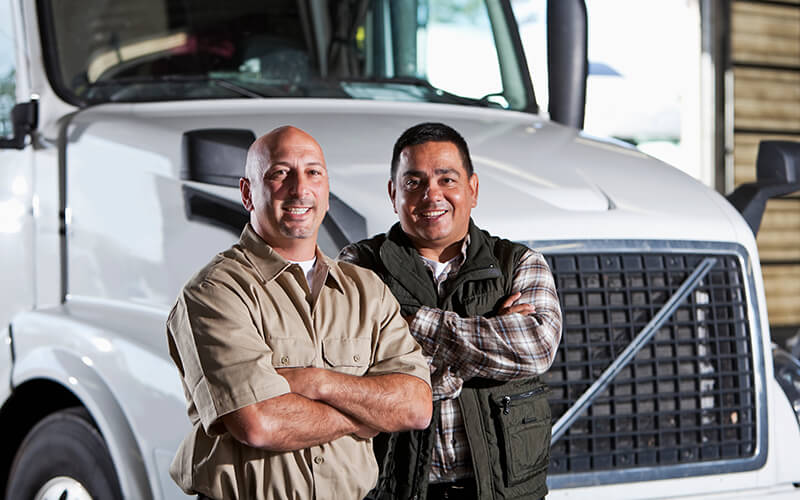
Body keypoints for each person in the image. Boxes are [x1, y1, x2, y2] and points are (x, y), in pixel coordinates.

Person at [167, 125, 433, 500]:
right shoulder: (217, 292)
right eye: (279, 174)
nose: (299, 189)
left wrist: (318, 382)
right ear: (247, 193)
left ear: (326, 190)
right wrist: (367, 415)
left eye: (313, 173)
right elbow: (259, 423)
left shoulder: (367, 290)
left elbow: (416, 406)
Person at [339, 122, 563, 500]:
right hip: (397, 490)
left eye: (447, 180)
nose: (432, 196)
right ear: (393, 194)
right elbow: (350, 365)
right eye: (414, 183)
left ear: (472, 190)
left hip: (500, 491)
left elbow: (535, 347)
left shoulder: (520, 262)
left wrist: (413, 325)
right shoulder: (358, 265)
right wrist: (488, 339)